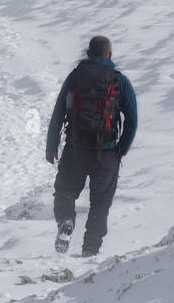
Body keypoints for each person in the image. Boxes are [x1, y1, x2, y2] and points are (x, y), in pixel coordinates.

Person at [45, 36, 137, 257]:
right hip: (107, 152)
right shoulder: (119, 81)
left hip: (75, 149)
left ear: (88, 54)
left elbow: (59, 112)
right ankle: (90, 249)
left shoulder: (75, 77)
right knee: (101, 202)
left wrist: (51, 145)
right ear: (110, 55)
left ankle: (66, 221)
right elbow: (132, 121)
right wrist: (120, 150)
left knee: (65, 192)